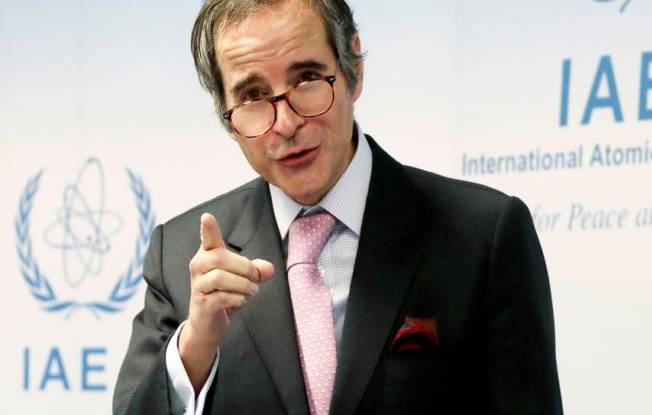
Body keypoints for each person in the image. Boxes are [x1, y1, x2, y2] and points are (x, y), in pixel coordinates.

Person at [113, 0, 563, 413]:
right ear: (226, 116)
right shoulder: (180, 257)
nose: (286, 124)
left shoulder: (482, 235)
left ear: (354, 70)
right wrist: (196, 346)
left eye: (307, 78)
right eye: (252, 96)